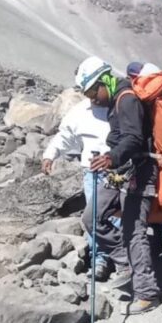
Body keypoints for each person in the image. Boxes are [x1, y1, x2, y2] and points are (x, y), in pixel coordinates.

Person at [76, 56, 162, 314]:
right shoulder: (117, 101)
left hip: (140, 170)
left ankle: (147, 293)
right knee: (91, 217)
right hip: (121, 170)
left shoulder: (127, 99)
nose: (92, 99)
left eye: (93, 91)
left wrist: (111, 157)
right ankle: (126, 262)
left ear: (105, 81)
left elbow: (135, 138)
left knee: (133, 229)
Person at [41, 97, 125, 283]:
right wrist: (50, 155)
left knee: (118, 215)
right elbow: (65, 135)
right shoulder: (80, 111)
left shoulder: (121, 104)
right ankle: (100, 259)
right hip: (93, 170)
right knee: (95, 215)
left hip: (119, 169)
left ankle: (121, 260)